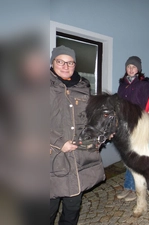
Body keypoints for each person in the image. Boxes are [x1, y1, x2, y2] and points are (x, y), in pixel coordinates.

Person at [50, 45, 105, 224]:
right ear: (52, 62)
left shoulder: (83, 87)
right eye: (61, 61)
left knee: (72, 208)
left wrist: (100, 133)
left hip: (78, 160)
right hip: (51, 159)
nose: (65, 66)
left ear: (75, 65)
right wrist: (59, 142)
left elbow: (90, 118)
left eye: (70, 62)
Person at [116, 56, 149, 201]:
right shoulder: (122, 84)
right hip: (124, 124)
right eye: (128, 67)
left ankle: (132, 187)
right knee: (127, 156)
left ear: (138, 69)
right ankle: (128, 186)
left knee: (134, 156)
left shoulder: (143, 84)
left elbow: (147, 103)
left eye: (134, 67)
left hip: (138, 123)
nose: (131, 69)